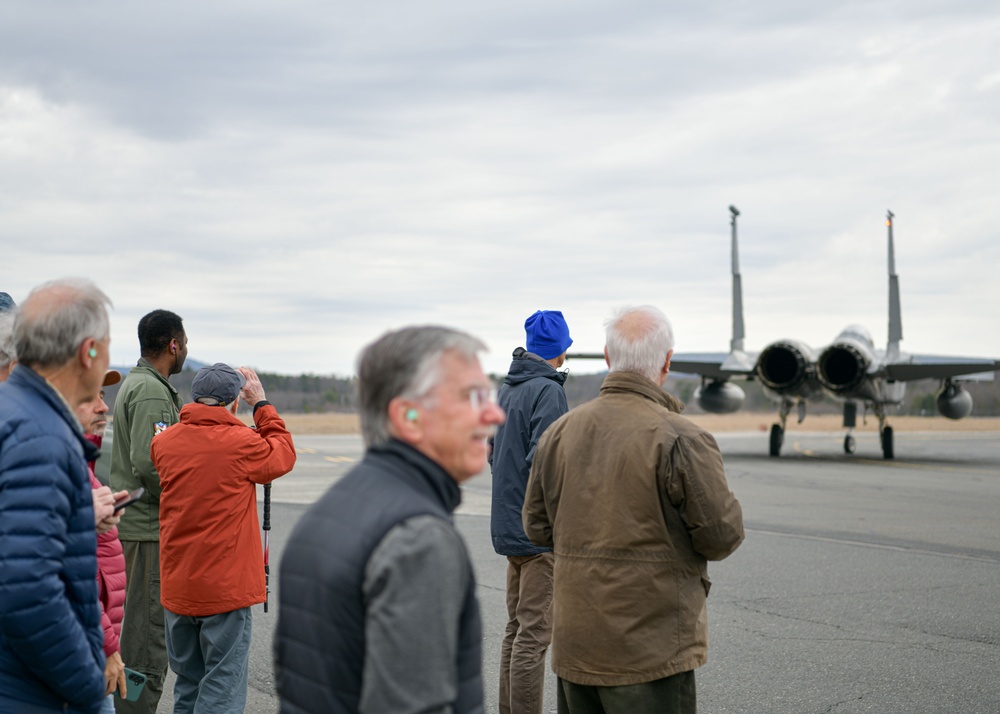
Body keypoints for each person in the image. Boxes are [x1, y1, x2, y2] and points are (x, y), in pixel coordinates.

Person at [524, 305, 745, 714]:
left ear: (608, 358)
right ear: (667, 361)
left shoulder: (558, 434)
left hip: (576, 647)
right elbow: (722, 536)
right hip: (650, 653)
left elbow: (536, 528)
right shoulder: (682, 438)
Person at [275, 326, 505, 714]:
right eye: (472, 396)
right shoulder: (417, 539)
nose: (494, 413)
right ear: (409, 417)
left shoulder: (330, 511)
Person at [151, 363, 296, 713]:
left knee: (187, 681)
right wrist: (261, 405)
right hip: (224, 589)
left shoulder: (163, 443)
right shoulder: (242, 443)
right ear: (234, 403)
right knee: (223, 683)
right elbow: (283, 453)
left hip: (179, 585)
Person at [0, 278, 115, 713]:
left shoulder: (14, 410)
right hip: (27, 690)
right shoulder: (40, 435)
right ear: (88, 352)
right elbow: (27, 591)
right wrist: (86, 684)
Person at [489, 310, 573, 714]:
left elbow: (494, 454)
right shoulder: (548, 390)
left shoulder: (508, 388)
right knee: (534, 635)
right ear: (560, 349)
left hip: (509, 528)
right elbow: (549, 461)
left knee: (516, 629)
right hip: (538, 535)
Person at [110, 309, 187, 714]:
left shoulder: (137, 383)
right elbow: (151, 463)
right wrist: (187, 497)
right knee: (145, 642)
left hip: (136, 529)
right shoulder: (153, 392)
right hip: (146, 532)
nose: (187, 349)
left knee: (140, 636)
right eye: (184, 342)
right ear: (173, 345)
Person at [77, 370, 131, 713]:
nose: (103, 407)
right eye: (90, 397)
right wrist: (108, 646)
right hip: (83, 647)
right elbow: (65, 567)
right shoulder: (52, 464)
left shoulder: (81, 462)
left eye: (103, 396)